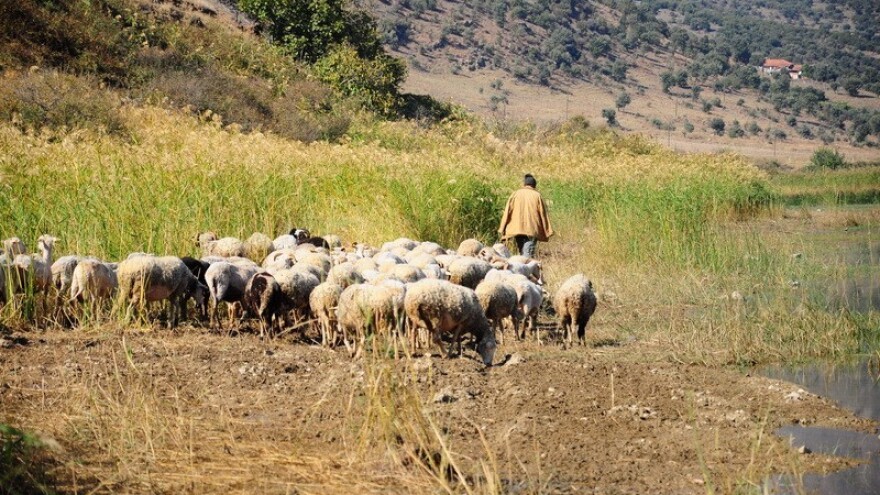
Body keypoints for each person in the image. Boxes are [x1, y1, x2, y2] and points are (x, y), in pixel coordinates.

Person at [498, 174, 553, 258]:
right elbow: (543, 214)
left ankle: (522, 264)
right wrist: (547, 230)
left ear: (524, 184)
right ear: (534, 185)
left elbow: (507, 212)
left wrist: (502, 228)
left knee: (522, 251)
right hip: (532, 229)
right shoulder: (537, 196)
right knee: (527, 254)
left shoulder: (515, 194)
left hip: (517, 228)